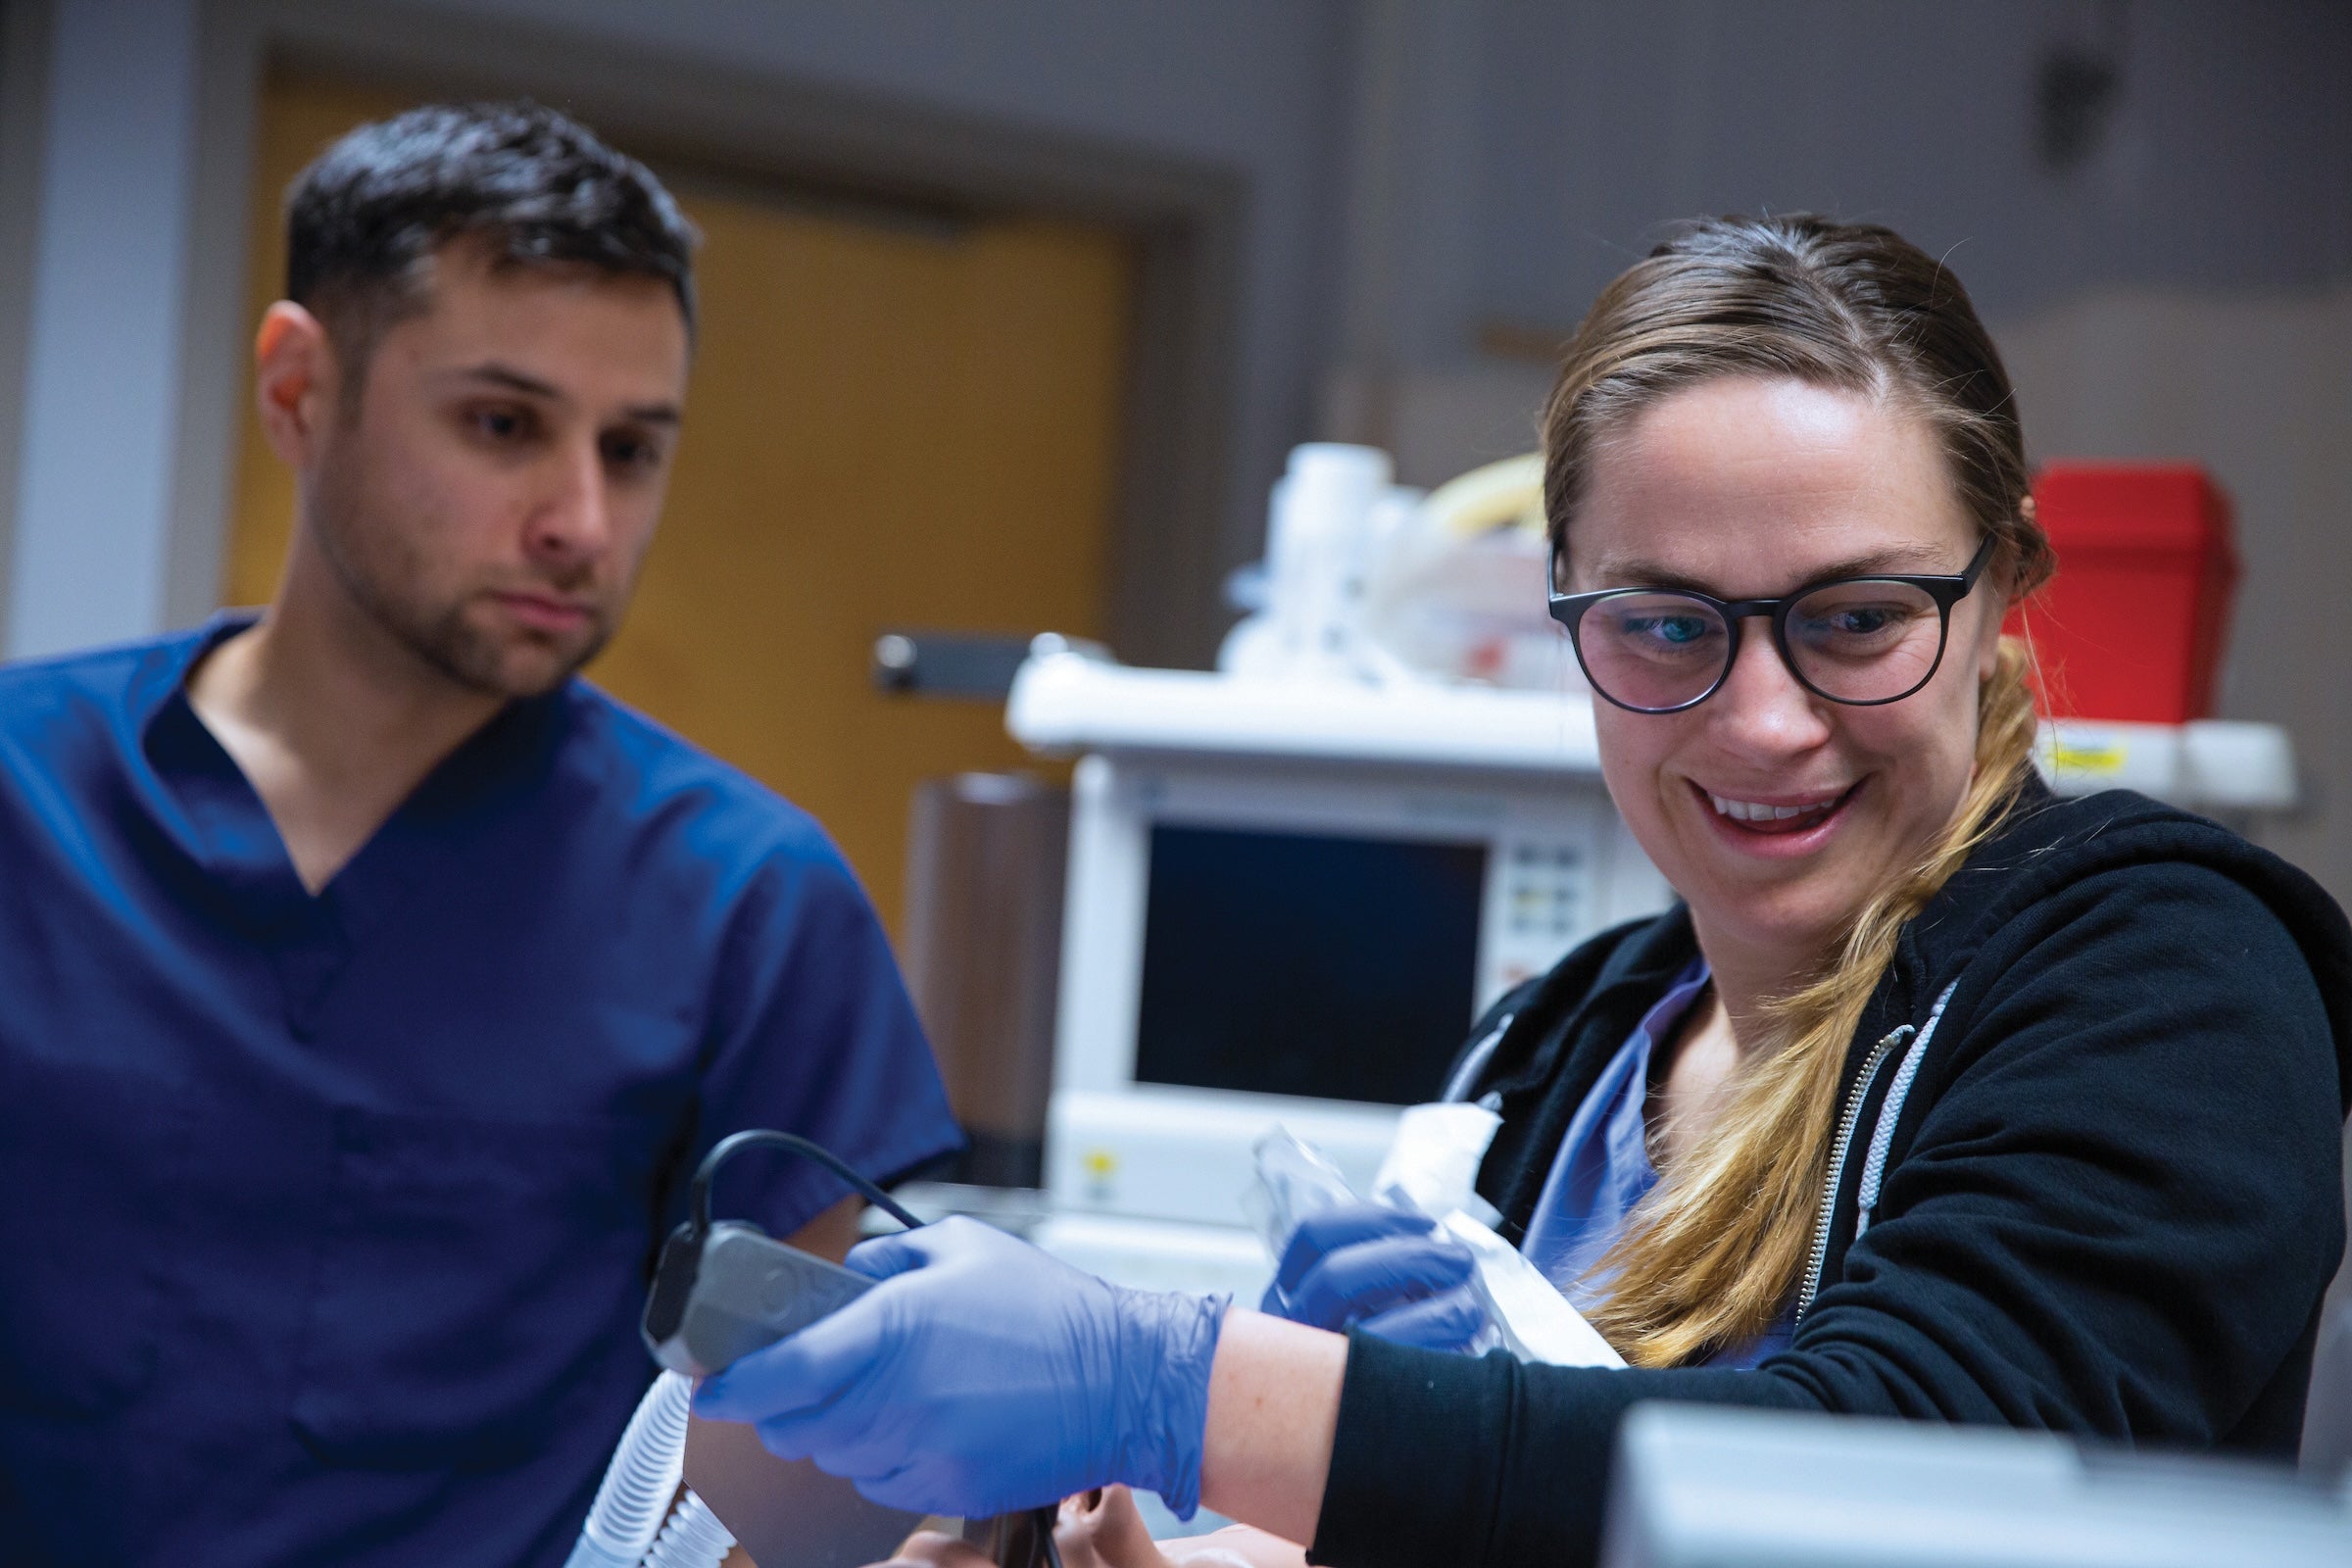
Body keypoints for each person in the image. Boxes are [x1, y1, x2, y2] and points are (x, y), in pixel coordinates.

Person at [690, 215, 2352, 1568]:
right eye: (1666, 625)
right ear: (1564, 612)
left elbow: (1891, 1495)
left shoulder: (2170, 981)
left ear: (2003, 592)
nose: (1763, 721)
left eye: (1855, 621)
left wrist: (1176, 1385)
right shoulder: (1564, 1044)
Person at [0, 102, 959, 1566]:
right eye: (504, 426)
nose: (582, 521)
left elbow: (779, 1504)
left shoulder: (748, 908)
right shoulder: (27, 800)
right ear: (300, 389)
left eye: (631, 449)